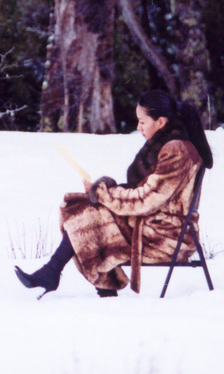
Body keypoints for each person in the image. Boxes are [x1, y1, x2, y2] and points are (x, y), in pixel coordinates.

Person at [15, 90, 213, 298]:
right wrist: (103, 191)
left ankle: (70, 277)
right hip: (153, 225)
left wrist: (103, 194)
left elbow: (146, 200)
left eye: (142, 122)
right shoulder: (166, 147)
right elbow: (143, 193)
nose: (138, 127)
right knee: (83, 208)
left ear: (161, 122)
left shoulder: (176, 150)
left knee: (89, 213)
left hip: (167, 236)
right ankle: (56, 273)